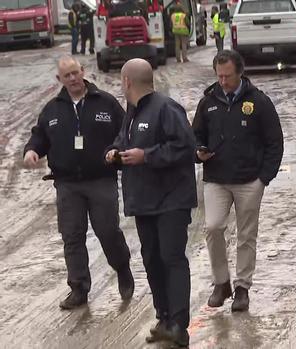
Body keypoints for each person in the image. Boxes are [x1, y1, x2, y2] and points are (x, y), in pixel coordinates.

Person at [23, 56, 134, 310]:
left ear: (83, 71)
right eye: (67, 76)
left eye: (75, 73)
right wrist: (32, 151)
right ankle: (79, 288)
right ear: (59, 80)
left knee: (108, 232)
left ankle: (122, 268)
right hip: (67, 184)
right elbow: (39, 136)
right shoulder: (52, 109)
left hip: (101, 180)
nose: (72, 79)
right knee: (72, 236)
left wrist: (120, 153)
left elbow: (124, 132)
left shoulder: (105, 103)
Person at [105, 58, 197, 347]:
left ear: (126, 81)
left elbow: (185, 147)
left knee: (172, 259)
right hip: (143, 201)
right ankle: (164, 317)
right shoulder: (131, 113)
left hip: (171, 200)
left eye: (122, 80)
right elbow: (121, 141)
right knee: (152, 259)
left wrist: (148, 156)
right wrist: (113, 153)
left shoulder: (166, 108)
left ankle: (179, 326)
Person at [192, 50, 284, 312]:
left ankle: (242, 288)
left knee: (246, 235)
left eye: (227, 76)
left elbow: (275, 141)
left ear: (240, 72)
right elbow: (194, 135)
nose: (222, 81)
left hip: (249, 181)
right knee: (213, 227)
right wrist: (198, 152)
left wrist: (264, 177)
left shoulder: (259, 101)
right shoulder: (207, 102)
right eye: (219, 76)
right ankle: (221, 283)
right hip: (216, 179)